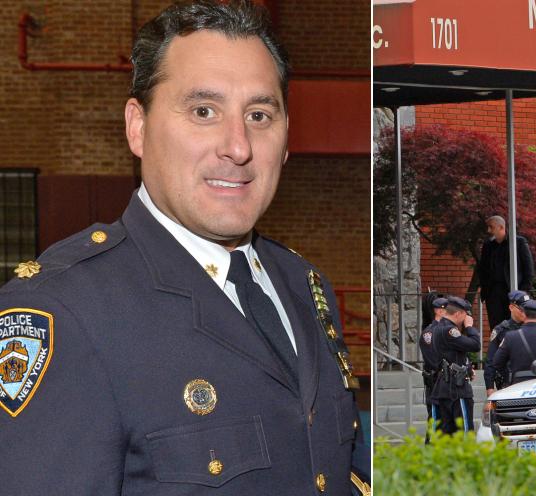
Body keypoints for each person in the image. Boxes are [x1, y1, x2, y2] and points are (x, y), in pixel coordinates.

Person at [0, 2, 370, 495]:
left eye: (259, 115)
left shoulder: (304, 285)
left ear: (285, 140)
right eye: (203, 111)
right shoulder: (63, 311)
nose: (238, 146)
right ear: (138, 126)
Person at [429, 296, 481, 434]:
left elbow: (454, 354)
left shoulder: (437, 328)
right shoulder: (449, 330)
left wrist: (468, 368)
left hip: (444, 386)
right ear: (458, 314)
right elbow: (475, 345)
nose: (467, 318)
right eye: (465, 315)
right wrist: (469, 327)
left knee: (447, 434)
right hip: (455, 388)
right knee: (464, 432)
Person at [478, 215, 535, 329]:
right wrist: (484, 289)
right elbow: (483, 269)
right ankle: (498, 346)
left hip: (513, 291)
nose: (488, 231)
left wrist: (523, 292)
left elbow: (528, 268)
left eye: (491, 227)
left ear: (501, 227)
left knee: (515, 325)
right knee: (496, 326)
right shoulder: (488, 245)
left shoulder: (517, 242)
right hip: (493, 292)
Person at [484, 290, 530, 396]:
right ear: (511, 308)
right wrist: (489, 387)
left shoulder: (534, 328)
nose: (525, 313)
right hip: (508, 383)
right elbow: (490, 360)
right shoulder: (501, 330)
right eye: (522, 309)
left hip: (530, 381)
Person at [419, 296, 448, 423]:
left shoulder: (447, 330)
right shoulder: (429, 333)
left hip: (448, 383)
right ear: (439, 311)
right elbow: (432, 359)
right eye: (447, 310)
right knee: (436, 419)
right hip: (436, 381)